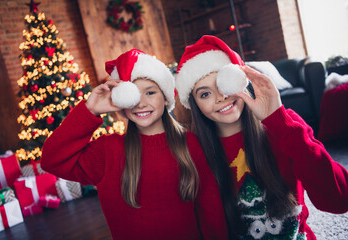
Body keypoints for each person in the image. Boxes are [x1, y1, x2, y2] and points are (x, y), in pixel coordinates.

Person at [41, 49, 228, 240]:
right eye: (133, 95)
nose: (141, 103)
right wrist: (90, 110)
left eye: (150, 92)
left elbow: (210, 209)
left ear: (165, 98)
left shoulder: (190, 144)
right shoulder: (108, 150)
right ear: (123, 101)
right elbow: (50, 160)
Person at [174, 35, 348, 240]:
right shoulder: (193, 152)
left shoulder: (285, 126)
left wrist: (280, 122)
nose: (220, 97)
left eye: (224, 83)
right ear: (195, 106)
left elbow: (339, 200)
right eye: (205, 94)